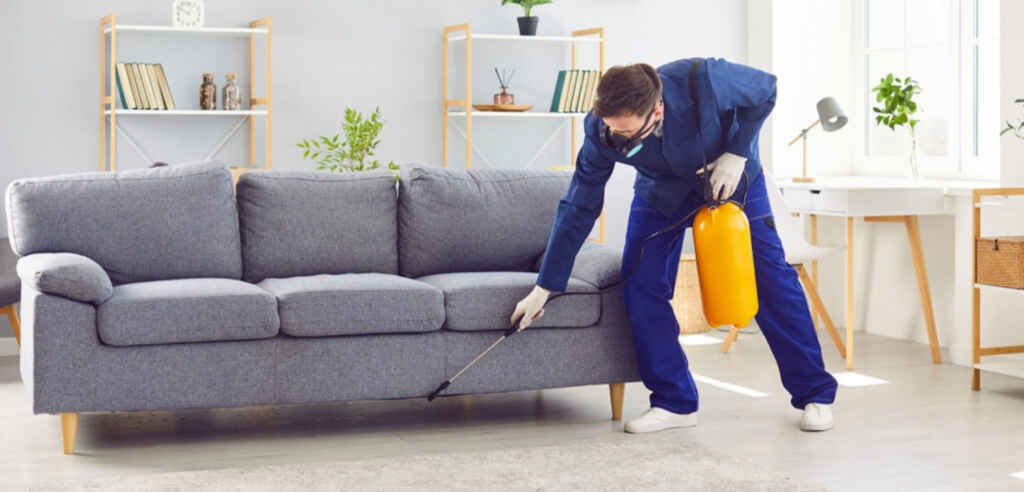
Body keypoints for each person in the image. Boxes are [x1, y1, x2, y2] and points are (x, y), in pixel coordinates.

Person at [511, 58, 838, 434]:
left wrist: (738, 151)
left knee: (771, 279)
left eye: (626, 132)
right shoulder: (601, 128)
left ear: (657, 111)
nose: (616, 138)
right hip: (660, 192)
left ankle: (815, 394)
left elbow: (766, 89)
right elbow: (579, 205)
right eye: (612, 128)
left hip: (730, 178)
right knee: (639, 281)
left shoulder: (705, 79)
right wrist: (545, 287)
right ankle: (674, 402)